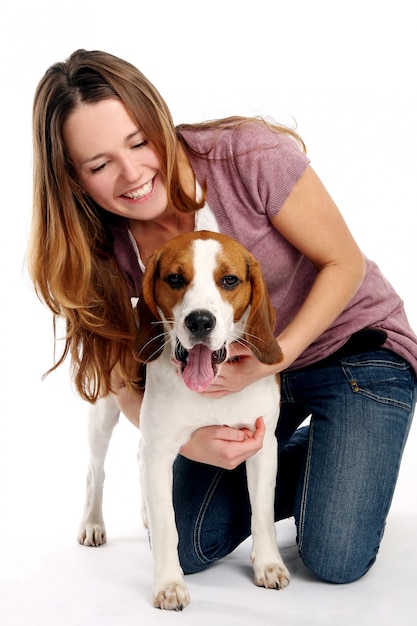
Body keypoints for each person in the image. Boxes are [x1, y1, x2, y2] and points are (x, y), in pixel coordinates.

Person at [28, 49, 417, 585]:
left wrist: (270, 363)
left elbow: (343, 262)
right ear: (73, 178)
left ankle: (342, 465)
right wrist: (181, 439)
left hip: (353, 350)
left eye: (139, 142)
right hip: (223, 377)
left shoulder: (246, 157)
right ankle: (321, 465)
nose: (133, 172)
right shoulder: (97, 247)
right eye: (99, 165)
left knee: (336, 557)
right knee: (188, 548)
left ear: (158, 121)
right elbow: (117, 367)